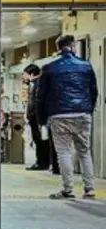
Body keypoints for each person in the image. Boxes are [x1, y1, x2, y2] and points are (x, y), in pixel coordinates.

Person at [36, 35, 98, 199]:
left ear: (59, 48)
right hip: (83, 113)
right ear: (73, 46)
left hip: (59, 114)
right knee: (84, 152)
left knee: (64, 152)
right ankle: (90, 188)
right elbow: (93, 90)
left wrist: (41, 120)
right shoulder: (86, 66)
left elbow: (40, 96)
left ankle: (68, 189)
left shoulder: (49, 68)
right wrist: (88, 109)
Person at [23, 64, 51, 171]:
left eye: (25, 74)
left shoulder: (37, 84)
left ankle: (42, 162)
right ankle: (42, 161)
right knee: (38, 140)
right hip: (35, 117)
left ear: (31, 74)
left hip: (37, 117)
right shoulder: (34, 84)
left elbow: (36, 102)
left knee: (40, 140)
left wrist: (36, 117)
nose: (23, 77)